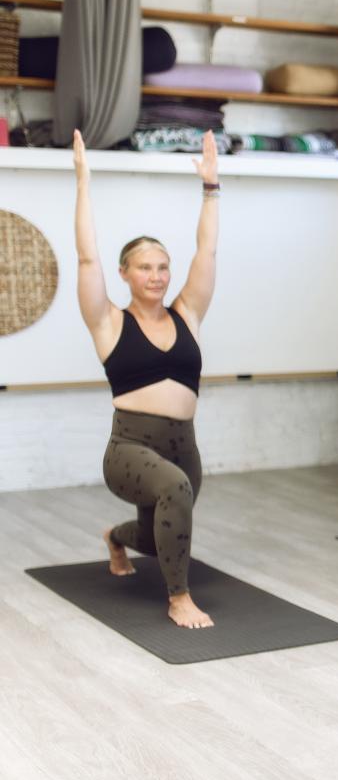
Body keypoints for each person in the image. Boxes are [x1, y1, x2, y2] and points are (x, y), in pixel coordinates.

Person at [73, 128, 220, 629]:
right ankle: (178, 598)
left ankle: (117, 537)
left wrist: (211, 188)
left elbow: (208, 253)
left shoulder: (188, 315)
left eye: (162, 267)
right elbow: (87, 257)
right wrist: (83, 182)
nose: (156, 276)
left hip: (185, 445)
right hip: (129, 449)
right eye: (144, 268)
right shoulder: (109, 322)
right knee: (175, 492)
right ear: (125, 274)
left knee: (164, 528)